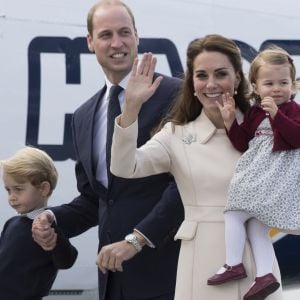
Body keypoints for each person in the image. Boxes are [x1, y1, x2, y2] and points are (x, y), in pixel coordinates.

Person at [109, 35, 284, 300]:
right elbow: (125, 167)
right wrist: (131, 107)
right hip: (203, 265)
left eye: (221, 74)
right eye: (202, 75)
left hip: (257, 265)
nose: (211, 84)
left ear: (238, 78)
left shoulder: (266, 127)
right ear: (192, 83)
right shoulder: (176, 135)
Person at [32, 1, 184, 300]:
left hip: (170, 273)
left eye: (124, 32)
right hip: (114, 279)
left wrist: (136, 241)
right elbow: (97, 200)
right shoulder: (84, 116)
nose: (117, 43)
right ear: (90, 42)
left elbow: (186, 184)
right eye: (106, 34)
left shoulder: (175, 95)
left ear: (137, 36)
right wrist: (51, 219)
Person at [207, 46, 300, 299]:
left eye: (284, 82)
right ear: (256, 88)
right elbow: (241, 143)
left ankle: (234, 263)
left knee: (234, 213)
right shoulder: (254, 112)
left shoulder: (293, 111)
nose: (277, 88)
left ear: (293, 85)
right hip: (261, 175)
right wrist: (229, 123)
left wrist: (277, 115)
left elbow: (297, 138)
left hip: (276, 177)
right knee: (256, 228)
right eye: (269, 83)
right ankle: (264, 276)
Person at [0, 146, 78, 300]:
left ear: (43, 188)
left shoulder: (47, 228)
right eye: (8, 190)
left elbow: (67, 260)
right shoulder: (11, 223)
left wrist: (53, 234)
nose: (12, 197)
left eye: (18, 189)